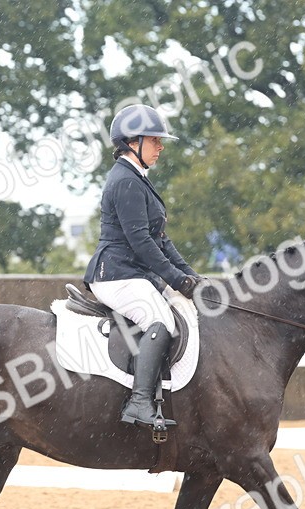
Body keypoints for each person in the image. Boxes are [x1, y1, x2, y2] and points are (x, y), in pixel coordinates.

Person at [83, 104, 204, 432]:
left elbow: (161, 241)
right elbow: (141, 244)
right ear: (132, 142)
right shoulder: (125, 181)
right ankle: (138, 403)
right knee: (161, 320)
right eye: (154, 140)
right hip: (116, 274)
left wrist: (190, 276)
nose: (161, 147)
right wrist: (176, 279)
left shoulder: (138, 180)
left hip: (134, 273)